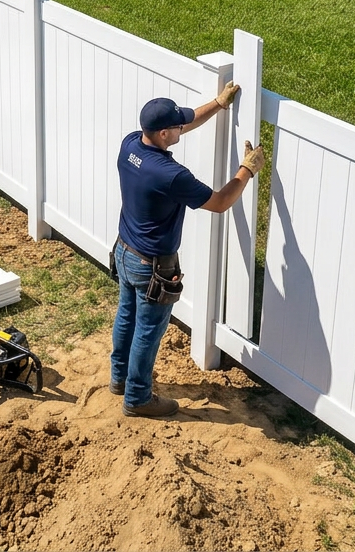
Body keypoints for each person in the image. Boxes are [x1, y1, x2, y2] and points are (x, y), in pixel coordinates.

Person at [110, 83, 266, 418]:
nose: (184, 126)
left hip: (124, 250)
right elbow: (221, 202)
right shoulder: (171, 175)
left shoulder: (131, 144)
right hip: (152, 265)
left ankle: (120, 379)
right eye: (177, 127)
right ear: (165, 133)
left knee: (127, 316)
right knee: (148, 331)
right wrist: (248, 170)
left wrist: (218, 104)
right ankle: (137, 398)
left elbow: (188, 120)